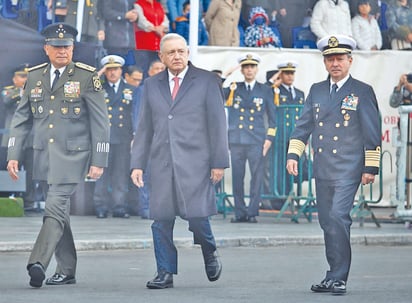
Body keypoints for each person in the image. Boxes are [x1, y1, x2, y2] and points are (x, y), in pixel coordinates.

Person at [6, 23, 110, 288]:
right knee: (60, 212)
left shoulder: (88, 76)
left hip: (73, 157)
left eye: (67, 47)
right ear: (46, 48)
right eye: (57, 46)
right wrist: (13, 153)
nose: (62, 51)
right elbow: (21, 118)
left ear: (73, 48)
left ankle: (38, 262)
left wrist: (99, 160)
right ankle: (68, 270)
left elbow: (101, 123)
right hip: (43, 156)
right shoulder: (34, 76)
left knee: (54, 207)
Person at [130, 33, 229, 289]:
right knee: (161, 221)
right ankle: (165, 272)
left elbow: (218, 125)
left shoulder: (206, 81)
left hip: (196, 164)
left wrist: (219, 162)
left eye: (180, 51)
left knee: (197, 217)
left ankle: (209, 250)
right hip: (162, 164)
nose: (176, 56)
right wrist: (137, 164)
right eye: (170, 52)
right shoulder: (151, 85)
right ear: (161, 57)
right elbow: (144, 129)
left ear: (187, 53)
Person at [286, 34, 381, 295]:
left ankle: (340, 276)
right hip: (324, 167)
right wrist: (293, 154)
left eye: (340, 58)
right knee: (328, 221)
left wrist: (370, 167)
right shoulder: (317, 89)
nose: (335, 63)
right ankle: (332, 273)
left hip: (349, 167)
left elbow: (372, 131)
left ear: (350, 61)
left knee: (339, 217)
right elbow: (303, 125)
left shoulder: (362, 91)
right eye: (330, 59)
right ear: (325, 63)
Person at [224, 53, 277, 223]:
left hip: (257, 141)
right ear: (241, 69)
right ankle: (240, 213)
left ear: (256, 69)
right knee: (238, 177)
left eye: (252, 67)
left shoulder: (265, 90)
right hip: (237, 140)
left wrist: (268, 141)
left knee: (256, 178)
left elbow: (273, 120)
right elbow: (215, 90)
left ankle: (252, 212)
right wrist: (226, 75)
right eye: (246, 67)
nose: (249, 70)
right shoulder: (234, 88)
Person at [93, 55, 135, 219]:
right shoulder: (99, 88)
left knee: (120, 174)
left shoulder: (130, 89)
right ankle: (100, 207)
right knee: (101, 174)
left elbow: (134, 114)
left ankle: (119, 206)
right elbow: (82, 89)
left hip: (123, 137)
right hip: (103, 138)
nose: (112, 73)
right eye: (109, 69)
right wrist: (98, 75)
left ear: (121, 71)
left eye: (115, 69)